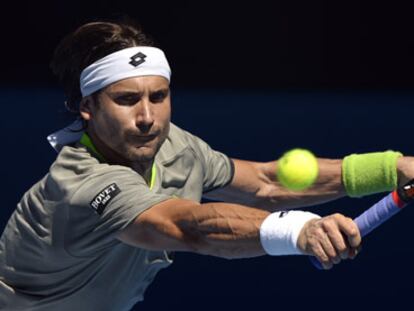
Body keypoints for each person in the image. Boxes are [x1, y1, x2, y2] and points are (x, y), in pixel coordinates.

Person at [1, 19, 413, 311]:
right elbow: (188, 226)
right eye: (127, 100)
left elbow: (267, 183)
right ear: (87, 107)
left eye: (158, 96)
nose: (148, 117)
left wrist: (393, 168)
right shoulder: (82, 182)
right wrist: (299, 230)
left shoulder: (173, 145)